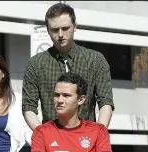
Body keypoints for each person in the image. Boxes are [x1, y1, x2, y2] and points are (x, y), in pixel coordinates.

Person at [22, 2, 114, 130]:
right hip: (51, 140)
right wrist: (43, 135)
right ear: (48, 30)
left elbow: (105, 102)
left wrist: (99, 134)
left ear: (74, 26)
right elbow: (28, 106)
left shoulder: (95, 60)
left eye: (65, 28)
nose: (60, 34)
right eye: (54, 30)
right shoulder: (36, 64)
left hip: (86, 139)